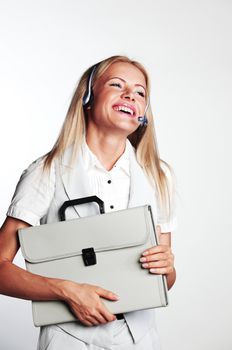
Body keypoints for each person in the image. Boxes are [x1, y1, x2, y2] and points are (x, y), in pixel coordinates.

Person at [0, 55, 177, 349]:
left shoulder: (160, 176)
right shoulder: (46, 172)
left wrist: (168, 267)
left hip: (141, 340)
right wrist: (67, 290)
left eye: (140, 92)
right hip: (69, 339)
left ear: (144, 112)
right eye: (116, 84)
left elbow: (162, 281)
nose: (130, 95)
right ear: (88, 98)